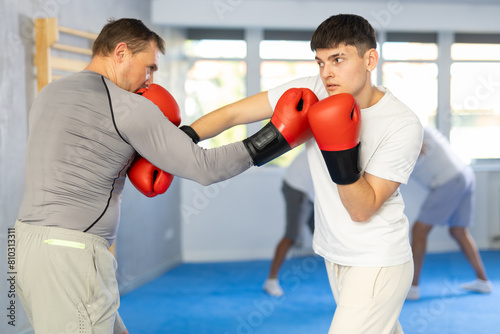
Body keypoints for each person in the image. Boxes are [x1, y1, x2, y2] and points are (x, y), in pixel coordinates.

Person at [14, 18, 314, 334]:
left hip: (25, 245)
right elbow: (205, 167)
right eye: (149, 67)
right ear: (120, 53)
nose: (150, 80)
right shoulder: (126, 106)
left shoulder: (50, 92)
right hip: (71, 256)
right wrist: (276, 137)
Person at [183, 14, 423, 333]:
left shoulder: (401, 123)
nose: (327, 73)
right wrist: (182, 139)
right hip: (335, 253)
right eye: (320, 62)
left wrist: (340, 148)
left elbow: (362, 209)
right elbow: (234, 112)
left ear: (370, 59)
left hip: (377, 258)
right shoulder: (311, 91)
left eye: (338, 60)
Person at [406, 127, 492, 300]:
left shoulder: (410, 130)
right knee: (458, 231)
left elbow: (417, 149)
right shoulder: (415, 129)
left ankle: (413, 288)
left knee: (419, 231)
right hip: (463, 175)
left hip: (449, 181)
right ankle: (483, 281)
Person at [263, 150, 315, 297]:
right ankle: (271, 280)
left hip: (310, 190)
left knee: (325, 236)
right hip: (297, 187)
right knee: (292, 235)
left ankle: (343, 283)